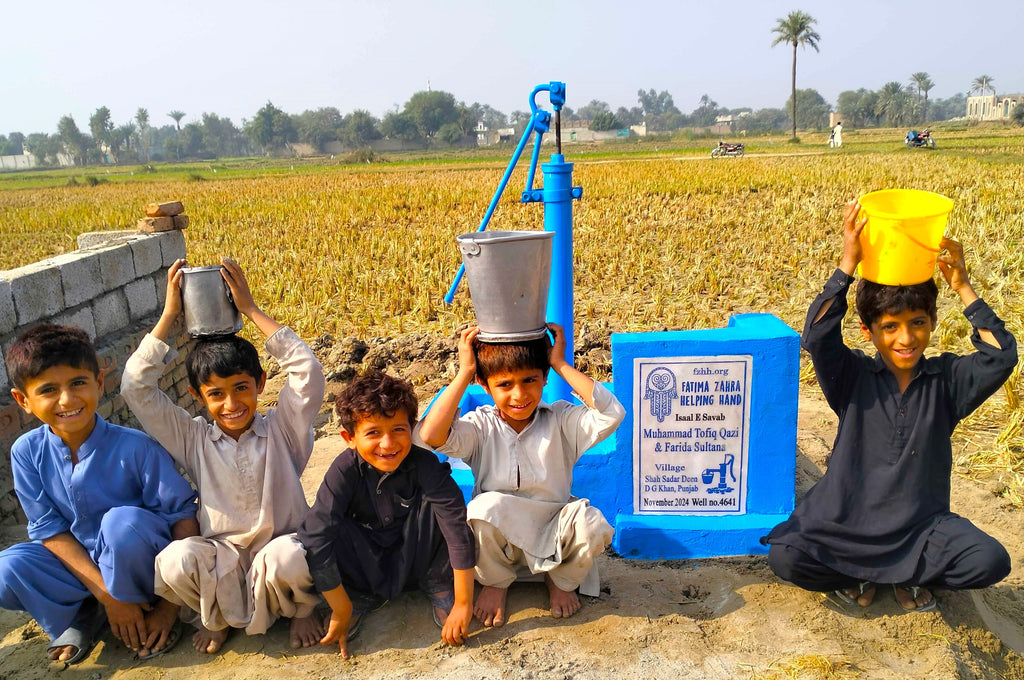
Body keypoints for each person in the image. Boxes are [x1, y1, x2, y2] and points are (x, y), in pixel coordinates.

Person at [764, 201, 1017, 612]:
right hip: (846, 523)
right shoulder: (852, 377)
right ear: (868, 331)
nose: (906, 339)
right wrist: (848, 263)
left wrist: (963, 287)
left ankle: (902, 575)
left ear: (933, 322)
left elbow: (1000, 357)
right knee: (785, 557)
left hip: (921, 529)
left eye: (918, 322)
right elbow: (818, 336)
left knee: (989, 560)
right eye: (890, 327)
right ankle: (860, 574)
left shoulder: (947, 381)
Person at [121, 257, 326, 653]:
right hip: (222, 558)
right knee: (175, 561)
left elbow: (307, 372)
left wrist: (249, 309)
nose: (231, 404)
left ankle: (302, 610)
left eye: (241, 388)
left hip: (282, 549)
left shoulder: (283, 428)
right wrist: (169, 316)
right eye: (215, 394)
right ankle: (215, 617)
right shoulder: (193, 438)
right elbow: (135, 387)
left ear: (261, 384)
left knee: (293, 556)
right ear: (198, 397)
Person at [0, 324, 198, 666]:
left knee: (121, 524)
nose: (67, 400)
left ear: (99, 383)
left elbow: (182, 517)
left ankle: (146, 610)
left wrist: (170, 608)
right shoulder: (26, 452)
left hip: (140, 566)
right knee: (9, 567)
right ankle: (89, 613)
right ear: (23, 401)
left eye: (78, 383)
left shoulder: (136, 447)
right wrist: (107, 595)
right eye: (48, 389)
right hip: (85, 572)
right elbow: (48, 529)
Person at [418, 323, 625, 627]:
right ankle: (495, 582)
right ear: (484, 385)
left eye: (530, 380)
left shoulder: (561, 419)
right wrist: (463, 374)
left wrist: (560, 363)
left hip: (554, 531)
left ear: (544, 378)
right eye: (504, 385)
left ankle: (561, 580)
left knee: (593, 523)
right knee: (480, 509)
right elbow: (431, 435)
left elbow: (612, 413)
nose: (519, 394)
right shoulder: (480, 426)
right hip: (499, 542)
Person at [297, 370, 475, 658]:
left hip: (418, 557)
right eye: (373, 433)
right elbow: (316, 539)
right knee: (329, 522)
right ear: (349, 438)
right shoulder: (344, 470)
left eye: (397, 430)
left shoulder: (424, 464)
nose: (388, 444)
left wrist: (464, 603)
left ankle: (440, 586)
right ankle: (356, 597)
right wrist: (340, 606)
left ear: (412, 427)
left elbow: (457, 528)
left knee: (445, 508)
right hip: (366, 563)